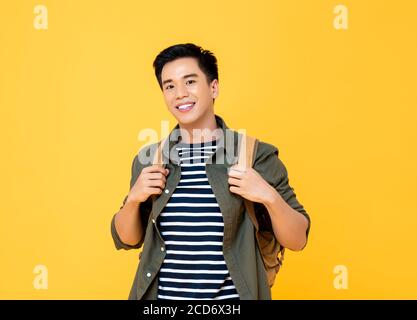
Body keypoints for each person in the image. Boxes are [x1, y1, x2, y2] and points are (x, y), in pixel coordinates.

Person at [111, 43, 310, 300]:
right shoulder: (150, 159)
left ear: (213, 87)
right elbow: (127, 239)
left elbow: (298, 240)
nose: (180, 93)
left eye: (190, 81)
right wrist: (134, 199)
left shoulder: (254, 155)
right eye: (169, 86)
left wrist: (268, 195)